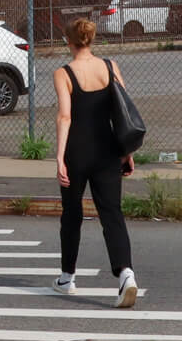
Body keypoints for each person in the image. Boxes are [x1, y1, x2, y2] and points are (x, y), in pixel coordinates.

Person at [53, 16, 140, 308]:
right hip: (107, 150)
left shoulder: (63, 73)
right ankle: (126, 274)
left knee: (72, 214)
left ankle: (67, 277)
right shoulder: (110, 67)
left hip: (76, 151)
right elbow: (123, 112)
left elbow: (65, 117)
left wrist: (59, 157)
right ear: (90, 39)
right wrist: (127, 152)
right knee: (111, 213)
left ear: (69, 41)